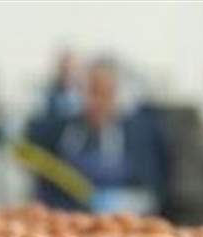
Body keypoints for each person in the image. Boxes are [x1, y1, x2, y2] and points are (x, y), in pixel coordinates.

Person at [25, 57, 168, 213]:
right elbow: (41, 176)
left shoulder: (139, 135)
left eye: (105, 94)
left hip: (120, 218)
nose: (96, 102)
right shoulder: (57, 130)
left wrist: (129, 201)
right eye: (91, 92)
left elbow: (153, 186)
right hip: (67, 218)